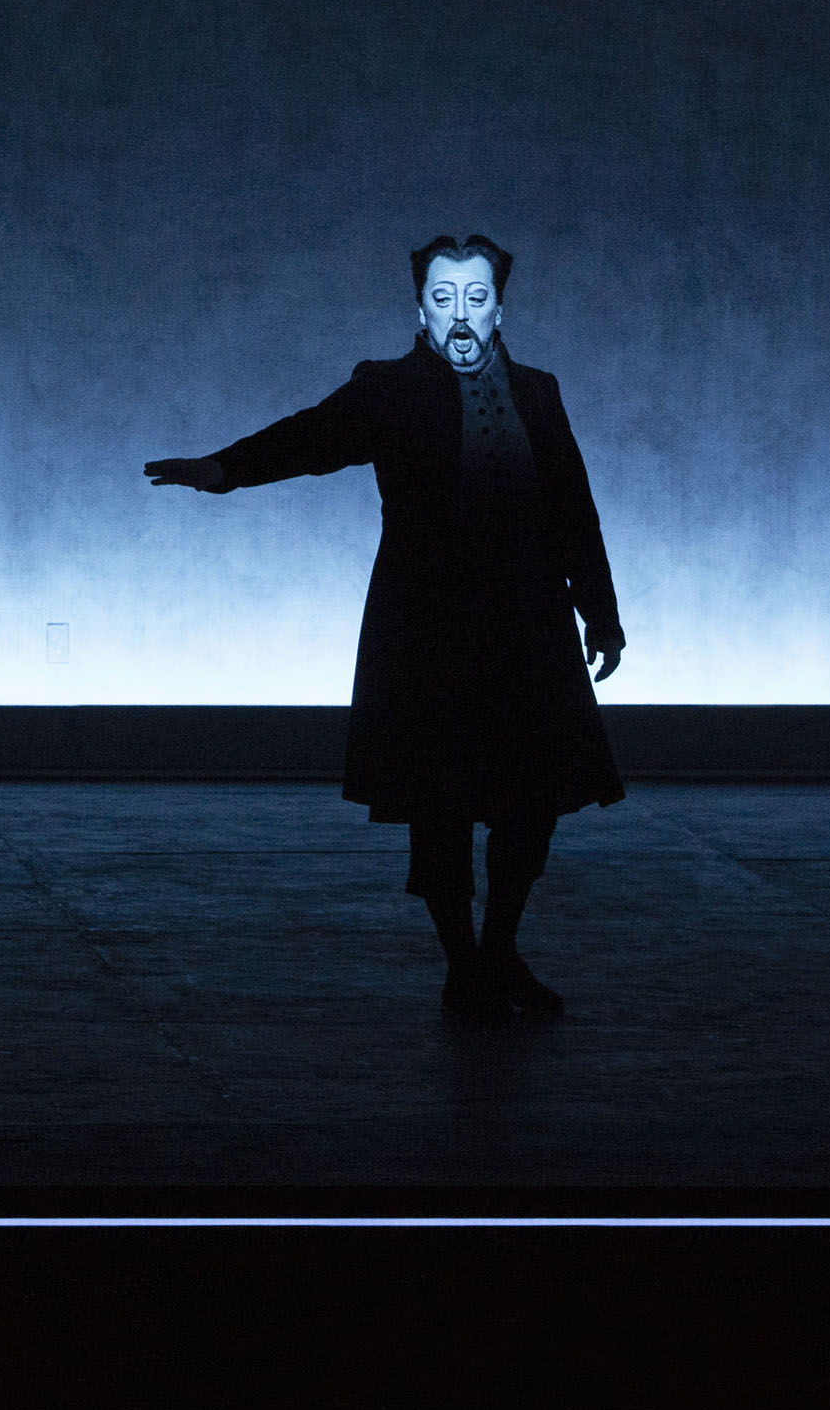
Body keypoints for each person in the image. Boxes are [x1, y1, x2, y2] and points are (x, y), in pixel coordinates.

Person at [144, 234, 625, 1024]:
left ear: (498, 308)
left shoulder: (538, 392)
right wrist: (223, 469)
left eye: (475, 297)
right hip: (430, 630)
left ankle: (497, 953)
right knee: (440, 803)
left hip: (526, 627)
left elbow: (571, 507)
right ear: (419, 309)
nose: (459, 313)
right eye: (443, 298)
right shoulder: (389, 389)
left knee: (528, 799)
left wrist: (599, 613)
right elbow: (310, 437)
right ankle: (463, 966)